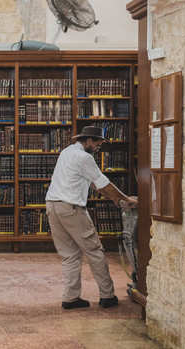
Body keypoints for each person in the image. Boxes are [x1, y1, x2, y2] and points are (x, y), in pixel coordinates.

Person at [45, 126, 137, 310]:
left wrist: (116, 200)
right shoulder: (84, 157)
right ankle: (107, 295)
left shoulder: (66, 152)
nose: (98, 147)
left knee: (69, 255)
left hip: (52, 206)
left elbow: (94, 184)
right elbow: (103, 183)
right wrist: (126, 200)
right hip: (71, 208)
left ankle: (71, 298)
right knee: (95, 250)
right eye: (97, 143)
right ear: (87, 140)